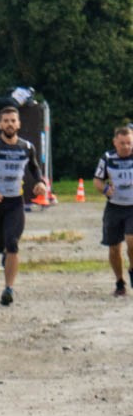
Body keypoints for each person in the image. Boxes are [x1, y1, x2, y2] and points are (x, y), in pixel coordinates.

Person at [0, 104, 47, 306]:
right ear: (0, 124)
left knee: (12, 242)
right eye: (6, 121)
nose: (10, 124)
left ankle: (8, 289)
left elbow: (35, 168)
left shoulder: (27, 147)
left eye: (13, 120)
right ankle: (4, 254)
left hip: (15, 203)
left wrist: (40, 183)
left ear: (19, 124)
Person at [93, 122, 133, 297]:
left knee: (132, 241)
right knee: (114, 247)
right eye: (122, 143)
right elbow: (97, 180)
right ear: (115, 142)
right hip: (114, 207)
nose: (126, 146)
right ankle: (119, 282)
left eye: (129, 143)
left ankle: (132, 268)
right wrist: (104, 189)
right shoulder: (108, 158)